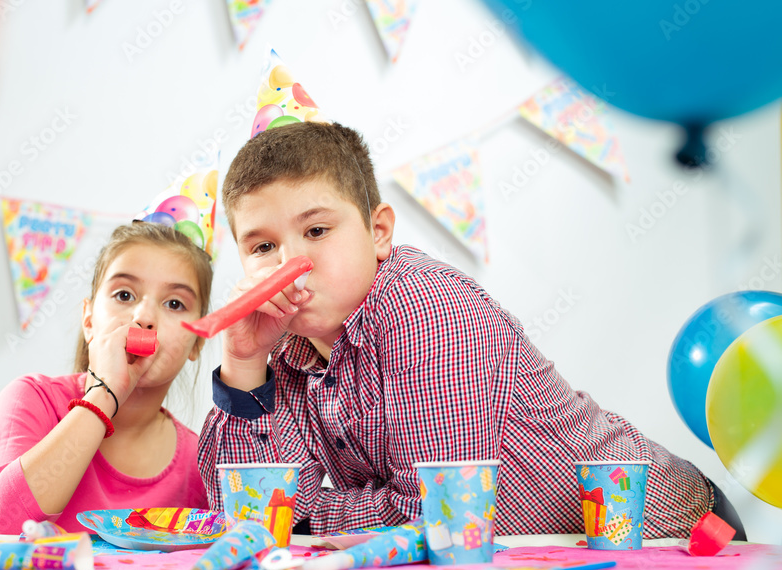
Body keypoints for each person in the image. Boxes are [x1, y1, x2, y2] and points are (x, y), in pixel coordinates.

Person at [198, 121, 746, 539]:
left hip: (671, 537)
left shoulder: (426, 308)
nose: (291, 261)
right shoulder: (287, 347)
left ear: (379, 232)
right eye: (262, 246)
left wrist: (307, 513)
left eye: (316, 230)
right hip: (520, 569)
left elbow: (436, 515)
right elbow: (246, 518)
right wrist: (245, 366)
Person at [0, 222, 212, 534]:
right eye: (124, 295)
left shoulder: (198, 462)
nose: (144, 318)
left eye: (174, 303)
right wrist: (104, 392)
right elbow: (6, 527)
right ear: (89, 320)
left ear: (198, 341)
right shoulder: (29, 399)